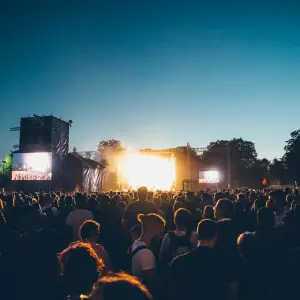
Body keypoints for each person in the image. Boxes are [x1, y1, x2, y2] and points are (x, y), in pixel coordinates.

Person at [168, 219, 235, 300]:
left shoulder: (178, 262)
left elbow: (172, 292)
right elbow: (232, 293)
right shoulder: (225, 262)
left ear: (197, 235)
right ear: (216, 236)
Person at [131, 213, 165, 289]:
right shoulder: (146, 254)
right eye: (160, 233)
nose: (161, 237)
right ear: (153, 230)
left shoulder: (135, 243)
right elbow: (153, 282)